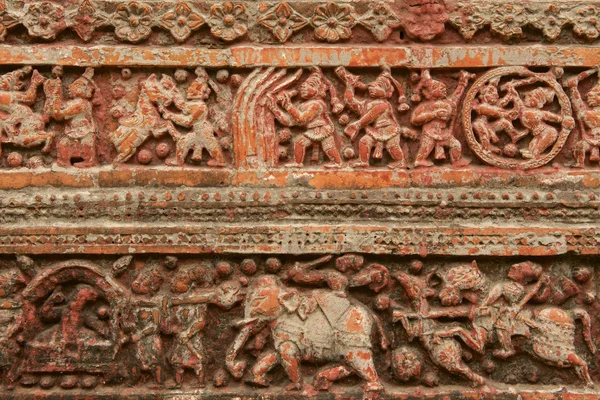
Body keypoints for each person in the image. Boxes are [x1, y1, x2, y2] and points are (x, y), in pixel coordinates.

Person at [338, 67, 417, 168]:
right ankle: (363, 161)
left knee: (392, 146)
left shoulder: (384, 104)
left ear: (388, 93)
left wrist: (358, 124)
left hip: (389, 130)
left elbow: (372, 115)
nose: (372, 88)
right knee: (364, 141)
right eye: (371, 87)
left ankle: (400, 161)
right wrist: (349, 86)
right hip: (375, 130)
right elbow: (350, 102)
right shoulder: (367, 104)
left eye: (378, 86)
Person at [266, 67, 343, 167]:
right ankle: (298, 163)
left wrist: (288, 106)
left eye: (309, 85)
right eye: (303, 85)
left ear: (318, 90)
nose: (303, 86)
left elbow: (301, 119)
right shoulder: (303, 105)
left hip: (322, 129)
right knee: (299, 143)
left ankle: (337, 163)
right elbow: (290, 122)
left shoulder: (317, 104)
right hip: (312, 130)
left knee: (329, 147)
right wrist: (275, 109)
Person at [411, 70, 474, 167]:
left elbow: (456, 96)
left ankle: (456, 161)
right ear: (429, 92)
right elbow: (415, 120)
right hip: (429, 132)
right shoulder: (425, 106)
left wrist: (462, 84)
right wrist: (433, 114)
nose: (443, 89)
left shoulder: (448, 103)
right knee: (426, 148)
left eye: (444, 88)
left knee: (456, 144)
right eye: (437, 88)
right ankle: (420, 160)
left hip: (444, 132)